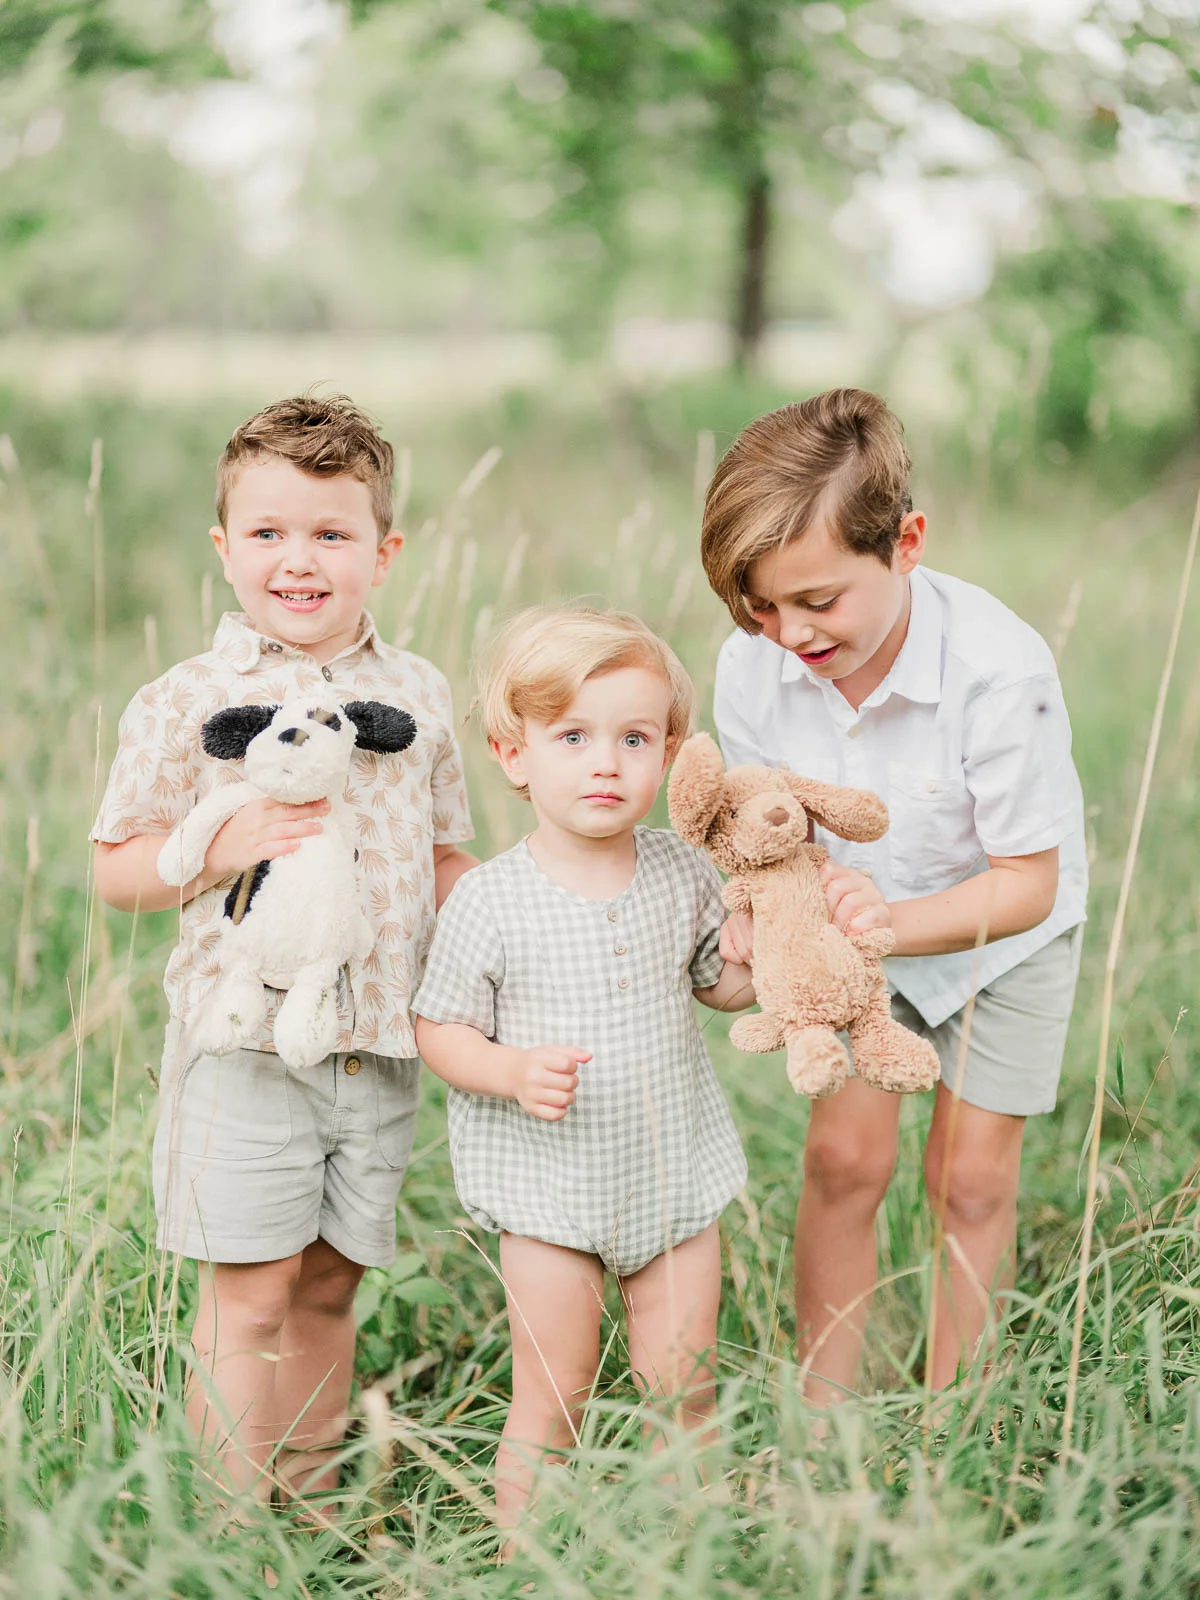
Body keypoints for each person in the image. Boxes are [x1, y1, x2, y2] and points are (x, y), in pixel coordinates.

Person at [91, 393, 476, 1504]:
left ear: (383, 550)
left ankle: (302, 1511)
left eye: (330, 533)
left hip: (376, 1049)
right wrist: (209, 854)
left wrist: (507, 924)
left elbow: (447, 858)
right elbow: (115, 864)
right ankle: (226, 1522)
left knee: (323, 1289)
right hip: (244, 1048)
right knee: (249, 1292)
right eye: (267, 533)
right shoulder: (187, 700)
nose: (297, 560)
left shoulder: (418, 696)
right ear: (224, 549)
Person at [702, 388, 1086, 1400]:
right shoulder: (753, 669)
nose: (787, 631)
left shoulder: (999, 672)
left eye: (817, 600)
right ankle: (827, 1405)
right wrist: (769, 924)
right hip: (847, 940)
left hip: (999, 935)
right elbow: (770, 835)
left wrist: (894, 924)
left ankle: (959, 1412)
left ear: (905, 543)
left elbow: (1029, 883)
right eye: (760, 604)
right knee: (842, 1160)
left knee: (969, 1177)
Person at [413, 606, 752, 1533]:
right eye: (573, 736)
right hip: (549, 1193)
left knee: (682, 1380)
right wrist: (512, 1070)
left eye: (633, 738)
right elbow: (438, 1028)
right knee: (553, 1390)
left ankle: (693, 1542)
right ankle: (527, 1555)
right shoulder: (490, 899)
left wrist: (753, 954)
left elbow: (718, 987)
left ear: (669, 753)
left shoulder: (683, 873)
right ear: (514, 754)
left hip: (671, 1179)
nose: (605, 762)